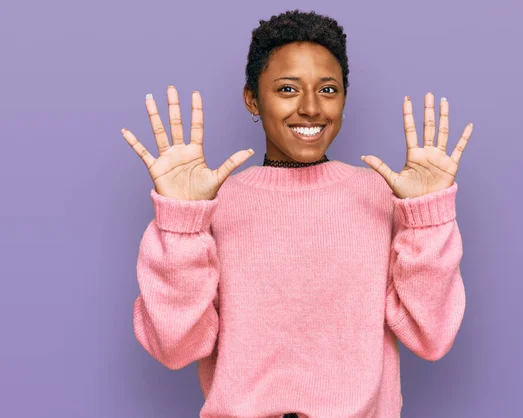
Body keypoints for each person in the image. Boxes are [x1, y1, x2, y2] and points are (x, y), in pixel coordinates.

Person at [121, 9, 473, 418]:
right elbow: (175, 346)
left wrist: (427, 218)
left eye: (328, 89)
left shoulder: (380, 196)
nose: (310, 108)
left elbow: (432, 337)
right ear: (252, 97)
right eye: (287, 89)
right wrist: (182, 221)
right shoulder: (213, 205)